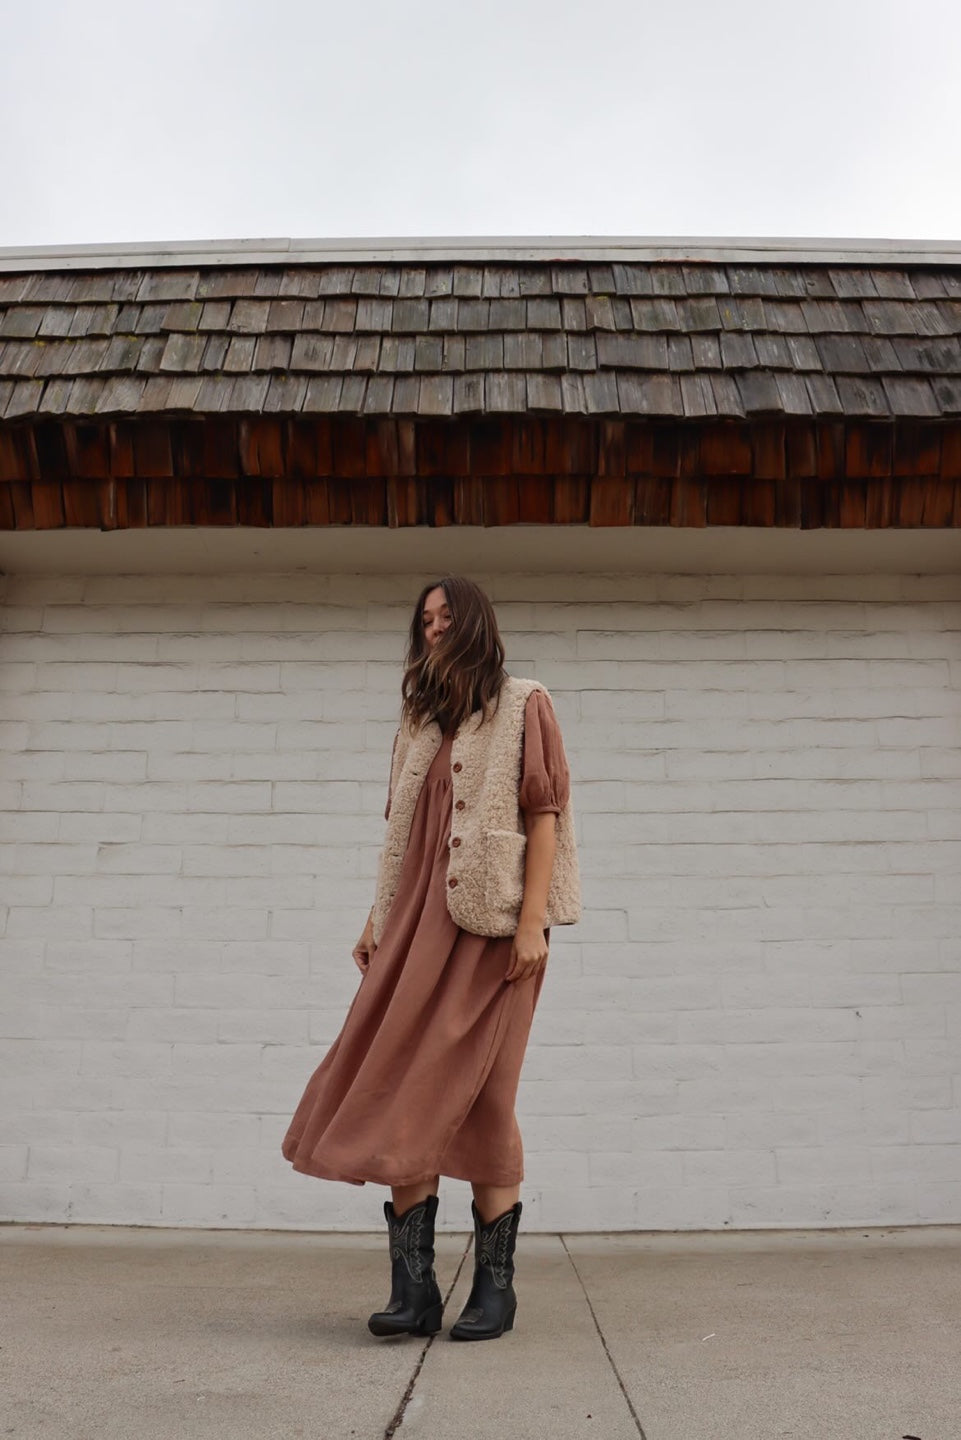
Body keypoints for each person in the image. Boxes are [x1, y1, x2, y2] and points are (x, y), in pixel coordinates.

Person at [282, 575, 580, 1341]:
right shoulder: (418, 724)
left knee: (486, 1100)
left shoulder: (524, 703)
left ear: (475, 622)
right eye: (425, 619)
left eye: (447, 616)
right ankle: (413, 1293)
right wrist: (375, 919)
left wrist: (531, 923)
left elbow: (545, 814)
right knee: (404, 1090)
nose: (435, 627)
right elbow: (404, 838)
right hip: (413, 929)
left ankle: (494, 1290)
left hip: (491, 930)